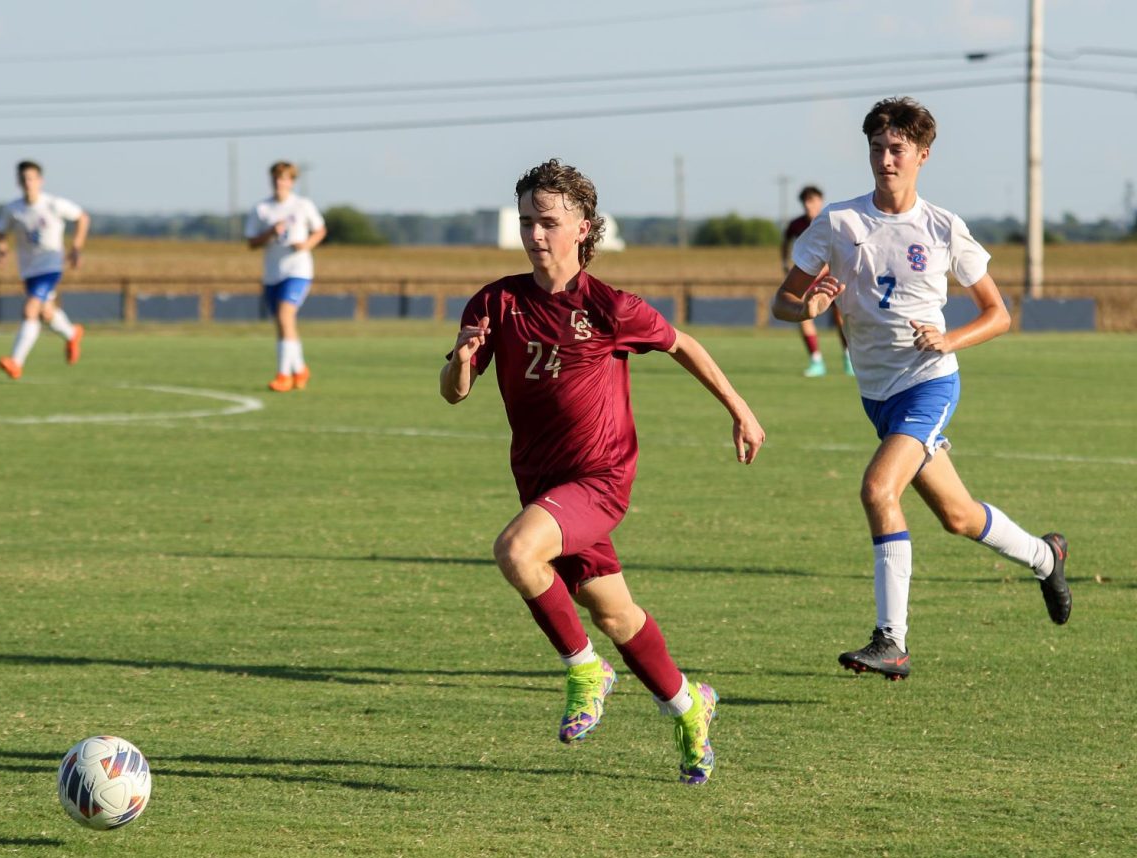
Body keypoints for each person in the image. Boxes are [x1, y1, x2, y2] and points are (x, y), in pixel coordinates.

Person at [440, 159, 766, 784]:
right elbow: (455, 393)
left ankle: (585, 670)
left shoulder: (610, 306)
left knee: (514, 550)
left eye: (550, 223)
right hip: (542, 484)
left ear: (584, 227)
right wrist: (461, 358)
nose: (536, 235)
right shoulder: (496, 301)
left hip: (598, 481)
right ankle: (689, 706)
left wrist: (741, 410)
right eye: (527, 222)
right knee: (615, 613)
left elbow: (684, 345)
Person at [772, 97, 1071, 680]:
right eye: (877, 149)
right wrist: (807, 305)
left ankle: (892, 640)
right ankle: (1045, 554)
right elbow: (782, 302)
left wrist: (949, 340)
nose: (885, 159)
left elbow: (998, 314)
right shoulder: (838, 223)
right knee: (958, 516)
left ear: (922, 156)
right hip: (877, 394)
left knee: (879, 489)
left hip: (929, 384)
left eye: (897, 149)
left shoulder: (942, 227)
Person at [0, 161, 89, 379]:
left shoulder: (53, 204)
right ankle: (72, 333)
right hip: (29, 270)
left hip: (51, 266)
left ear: (40, 181)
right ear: (18, 182)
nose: (28, 182)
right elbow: (0, 231)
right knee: (46, 312)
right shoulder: (13, 209)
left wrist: (76, 247)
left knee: (30, 311)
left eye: (32, 178)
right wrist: (2, 249)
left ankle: (16, 362)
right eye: (24, 178)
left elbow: (82, 217)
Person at [245, 161, 327, 392]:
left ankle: (283, 375)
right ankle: (299, 369)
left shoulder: (302, 205)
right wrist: (270, 232)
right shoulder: (262, 208)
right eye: (276, 178)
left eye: (284, 178)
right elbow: (251, 242)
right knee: (283, 325)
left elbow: (320, 229)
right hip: (273, 273)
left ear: (291, 181)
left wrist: (306, 244)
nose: (279, 182)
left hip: (298, 272)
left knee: (284, 316)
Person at [781, 185, 852, 377]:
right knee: (803, 314)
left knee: (840, 318)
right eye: (805, 201)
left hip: (831, 277)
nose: (808, 205)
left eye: (812, 201)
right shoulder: (796, 225)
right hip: (808, 279)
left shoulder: (832, 221)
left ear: (820, 201)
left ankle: (848, 357)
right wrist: (785, 263)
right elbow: (785, 243)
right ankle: (816, 361)